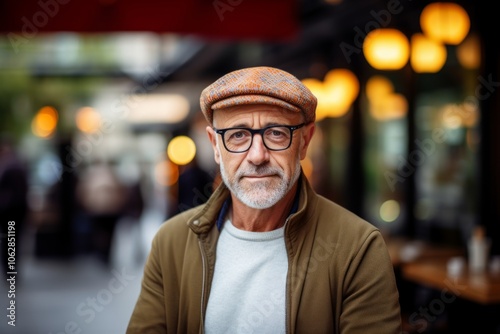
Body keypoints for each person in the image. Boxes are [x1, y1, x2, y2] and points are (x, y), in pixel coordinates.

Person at [127, 66, 402, 333]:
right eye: (237, 135)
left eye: (276, 133)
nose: (257, 155)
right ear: (215, 146)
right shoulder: (170, 243)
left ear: (305, 141)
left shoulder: (358, 248)